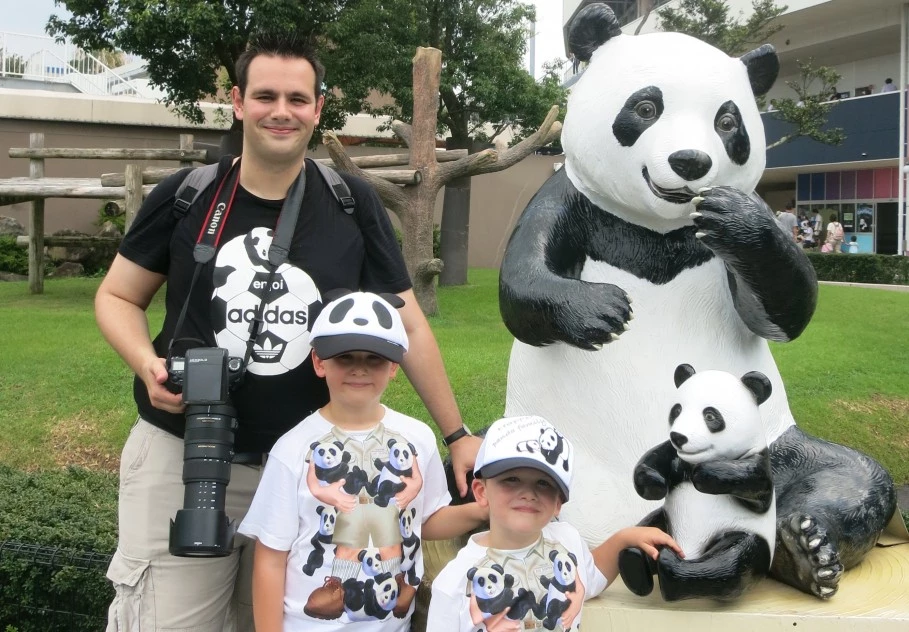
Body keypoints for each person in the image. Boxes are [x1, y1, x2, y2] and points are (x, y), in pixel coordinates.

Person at [94, 32, 480, 632]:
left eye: (298, 98)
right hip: (183, 455)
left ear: (319, 108)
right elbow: (117, 295)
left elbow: (407, 320)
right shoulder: (187, 195)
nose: (282, 111)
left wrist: (456, 434)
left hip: (308, 470)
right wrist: (146, 361)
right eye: (266, 95)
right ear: (238, 102)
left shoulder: (350, 203)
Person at [238, 291, 487, 631]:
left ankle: (396, 584)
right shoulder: (293, 448)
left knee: (381, 539)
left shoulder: (417, 438)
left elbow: (425, 520)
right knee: (349, 544)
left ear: (395, 365)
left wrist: (484, 511)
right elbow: (270, 556)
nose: (359, 368)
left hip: (390, 624)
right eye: (345, 357)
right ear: (319, 362)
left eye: (374, 358)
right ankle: (336, 587)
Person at [427, 416, 682, 631]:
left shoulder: (566, 540)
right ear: (481, 491)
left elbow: (590, 576)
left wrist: (625, 538)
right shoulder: (454, 583)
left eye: (543, 483)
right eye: (511, 479)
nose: (528, 492)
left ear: (558, 502)